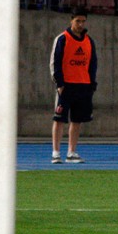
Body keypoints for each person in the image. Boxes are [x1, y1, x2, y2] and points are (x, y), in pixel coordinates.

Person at [50, 9, 97, 164]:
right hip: (66, 86)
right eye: (78, 21)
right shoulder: (63, 39)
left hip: (83, 85)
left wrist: (91, 84)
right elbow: (55, 62)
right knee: (59, 119)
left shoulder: (89, 41)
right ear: (71, 20)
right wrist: (60, 83)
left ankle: (71, 152)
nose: (80, 24)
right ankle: (56, 152)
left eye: (83, 21)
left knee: (77, 120)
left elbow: (92, 64)